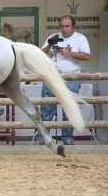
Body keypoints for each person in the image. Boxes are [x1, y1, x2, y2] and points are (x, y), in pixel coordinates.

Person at [35, 15, 90, 145]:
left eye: (67, 26)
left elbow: (87, 56)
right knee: (47, 108)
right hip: (52, 78)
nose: (64, 29)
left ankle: (67, 138)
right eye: (62, 26)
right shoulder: (53, 37)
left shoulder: (80, 38)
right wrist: (49, 45)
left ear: (73, 26)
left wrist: (69, 53)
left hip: (72, 77)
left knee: (68, 109)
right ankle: (43, 138)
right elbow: (40, 55)